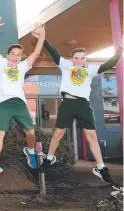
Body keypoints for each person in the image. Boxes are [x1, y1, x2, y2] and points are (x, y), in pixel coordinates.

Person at [35, 34, 123, 184]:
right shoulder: (66, 65)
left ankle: (101, 168)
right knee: (58, 133)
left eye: (82, 58)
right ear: (71, 59)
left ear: (85, 59)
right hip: (68, 104)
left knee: (91, 136)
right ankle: (49, 159)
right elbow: (54, 52)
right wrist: (43, 38)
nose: (79, 60)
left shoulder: (91, 69)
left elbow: (110, 63)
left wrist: (120, 48)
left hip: (83, 105)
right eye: (76, 57)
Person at [0, 15, 45, 180]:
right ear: (8, 54)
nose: (16, 56)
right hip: (3, 104)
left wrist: (41, 36)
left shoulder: (22, 66)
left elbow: (36, 52)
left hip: (19, 103)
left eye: (19, 54)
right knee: (0, 134)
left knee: (31, 132)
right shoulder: (1, 63)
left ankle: (31, 151)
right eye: (13, 54)